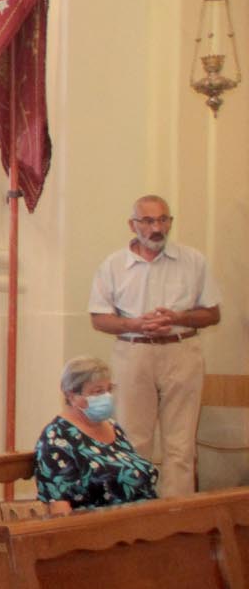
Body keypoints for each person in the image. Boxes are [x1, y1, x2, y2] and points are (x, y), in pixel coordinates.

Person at [88, 194, 221, 497]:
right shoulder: (114, 265)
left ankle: (177, 515)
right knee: (133, 439)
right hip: (133, 353)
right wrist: (136, 325)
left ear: (170, 222)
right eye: (148, 221)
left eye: (163, 220)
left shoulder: (193, 260)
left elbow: (213, 314)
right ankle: (137, 510)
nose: (157, 228)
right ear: (132, 225)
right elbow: (98, 318)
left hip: (181, 350)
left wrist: (179, 317)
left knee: (181, 444)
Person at [35, 356, 159, 512]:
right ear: (71, 396)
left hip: (144, 516)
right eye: (98, 391)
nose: (106, 397)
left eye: (109, 390)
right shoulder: (56, 437)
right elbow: (58, 505)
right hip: (99, 523)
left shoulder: (113, 427)